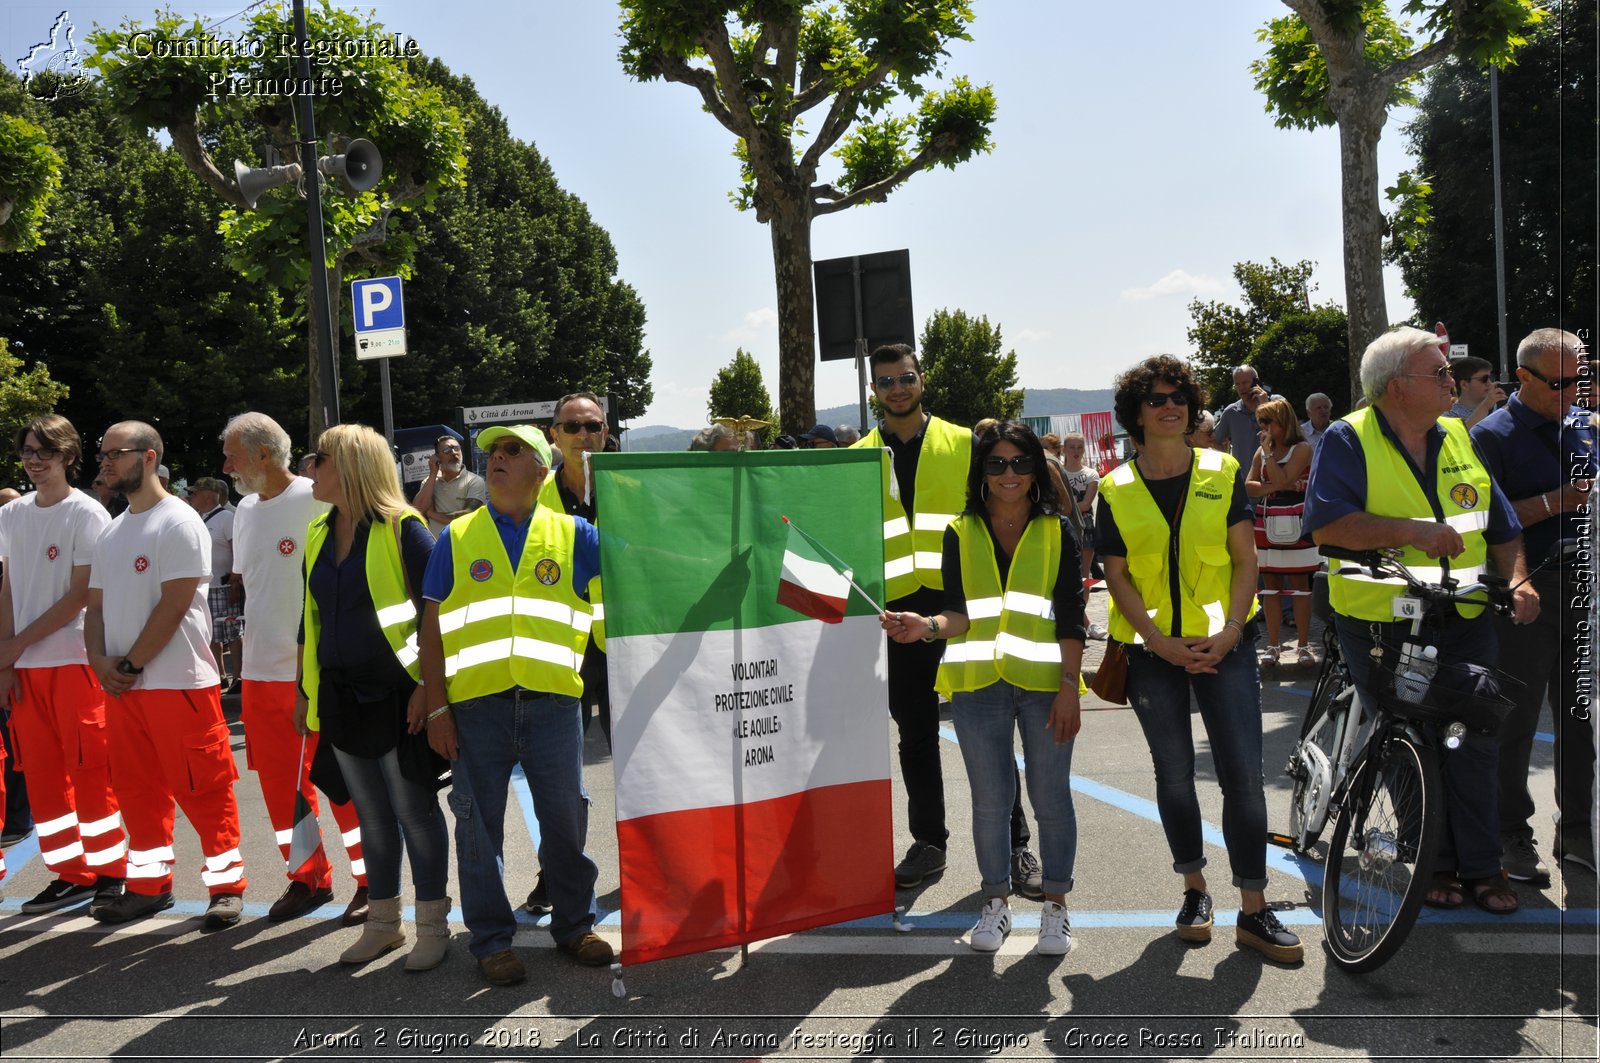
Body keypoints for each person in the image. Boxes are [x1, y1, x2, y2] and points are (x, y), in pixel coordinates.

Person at [1304, 326, 1537, 914]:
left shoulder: (1460, 435)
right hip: (1383, 620)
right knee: (1411, 735)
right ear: (1396, 387)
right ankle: (1433, 863)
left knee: (1476, 734)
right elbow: (1329, 527)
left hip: (1464, 613)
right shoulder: (1347, 438)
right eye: (1437, 373)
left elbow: (1503, 526)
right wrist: (1415, 533)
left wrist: (1517, 579)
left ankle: (1484, 866)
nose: (1450, 382)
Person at [1096, 355, 1302, 963]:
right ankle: (1194, 891)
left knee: (1243, 777)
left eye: (1179, 397)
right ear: (1136, 413)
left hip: (1227, 646)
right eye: (1157, 399)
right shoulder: (1115, 487)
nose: (1170, 406)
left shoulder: (1224, 469)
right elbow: (1117, 575)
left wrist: (1235, 630)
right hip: (1151, 650)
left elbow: (1246, 559)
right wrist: (1159, 642)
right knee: (1174, 777)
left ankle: (1254, 910)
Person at [417, 424, 613, 987]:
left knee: (566, 819)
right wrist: (437, 709)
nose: (496, 458)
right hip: (476, 708)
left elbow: (635, 584)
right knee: (479, 828)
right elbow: (431, 631)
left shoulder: (577, 534)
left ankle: (576, 926)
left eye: (512, 451)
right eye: (493, 452)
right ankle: (491, 941)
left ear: (540, 472)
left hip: (554, 706)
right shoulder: (455, 538)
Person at [882, 422, 1086, 955]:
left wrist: (1070, 688)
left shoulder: (1057, 528)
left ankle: (1056, 909)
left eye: (1020, 462)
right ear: (982, 472)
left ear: (1035, 471)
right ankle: (994, 904)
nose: (1009, 473)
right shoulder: (959, 530)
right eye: (996, 464)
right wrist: (924, 626)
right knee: (991, 803)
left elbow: (1072, 616)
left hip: (1045, 685)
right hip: (977, 686)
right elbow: (959, 614)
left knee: (1051, 800)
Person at [852, 344, 1043, 897]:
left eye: (905, 378)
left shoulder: (965, 443)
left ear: (922, 379)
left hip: (967, 607)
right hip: (896, 616)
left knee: (989, 732)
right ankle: (929, 842)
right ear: (875, 390)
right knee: (915, 735)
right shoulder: (857, 455)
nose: (897, 389)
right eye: (886, 381)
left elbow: (1004, 513)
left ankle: (1016, 844)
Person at [297, 424, 451, 970]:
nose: (310, 466)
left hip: (397, 698)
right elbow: (310, 619)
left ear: (352, 466)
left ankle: (433, 925)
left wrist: (427, 691)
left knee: (414, 812)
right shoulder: (318, 529)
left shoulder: (404, 528)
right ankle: (385, 925)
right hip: (341, 697)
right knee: (371, 816)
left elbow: (441, 616)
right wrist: (304, 691)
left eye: (320, 458)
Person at [85, 420, 247, 928]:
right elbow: (95, 609)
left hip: (177, 683)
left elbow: (175, 603)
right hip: (124, 688)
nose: (106, 461)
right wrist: (100, 662)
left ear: (149, 456)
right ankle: (149, 886)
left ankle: (226, 886)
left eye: (117, 452)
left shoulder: (177, 520)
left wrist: (128, 664)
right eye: (103, 453)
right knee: (135, 789)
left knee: (203, 786)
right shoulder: (112, 529)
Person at [221, 412, 369, 925]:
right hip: (261, 674)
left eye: (232, 455)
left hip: (314, 671)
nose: (226, 466)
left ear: (264, 454)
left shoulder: (315, 497)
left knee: (342, 783)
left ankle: (373, 881)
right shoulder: (243, 509)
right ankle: (308, 878)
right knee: (283, 789)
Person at [1471, 328, 1596, 880]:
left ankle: (1577, 832)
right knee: (1514, 721)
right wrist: (1556, 502)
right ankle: (1509, 834)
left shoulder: (1585, 428)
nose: (1574, 391)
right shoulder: (1490, 436)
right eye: (1561, 383)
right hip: (1525, 594)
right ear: (1521, 377)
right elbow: (1483, 524)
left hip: (1586, 593)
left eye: (1581, 380)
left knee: (1581, 721)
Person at [0, 415, 126, 915]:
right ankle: (71, 873)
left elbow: (78, 596)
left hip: (74, 663)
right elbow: (8, 587)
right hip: (26, 668)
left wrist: (13, 647)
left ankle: (112, 873)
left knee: (92, 771)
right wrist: (7, 658)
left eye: (44, 451)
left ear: (69, 455)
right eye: (28, 451)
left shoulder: (86, 513)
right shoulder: (12, 515)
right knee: (46, 777)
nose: (34, 460)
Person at [522, 392, 614, 916]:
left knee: (645, 765)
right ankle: (555, 873)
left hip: (625, 646)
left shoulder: (628, 489)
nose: (583, 435)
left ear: (605, 431)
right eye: (572, 427)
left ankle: (657, 869)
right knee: (561, 776)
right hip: (563, 652)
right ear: (552, 434)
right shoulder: (535, 496)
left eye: (592, 425)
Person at [1245, 399, 1318, 666]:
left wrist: (1275, 477)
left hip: (1297, 522)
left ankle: (1303, 645)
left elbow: (1282, 478)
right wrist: (1274, 485)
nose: (1261, 428)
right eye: (1260, 422)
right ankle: (1273, 645)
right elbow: (1250, 486)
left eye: (1267, 422)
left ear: (1282, 421)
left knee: (1300, 586)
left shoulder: (1302, 448)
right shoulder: (1263, 450)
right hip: (1266, 523)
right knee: (1270, 587)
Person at [187, 477, 241, 690]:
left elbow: (237, 549)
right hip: (207, 586)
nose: (192, 497)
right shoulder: (200, 517)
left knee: (233, 632)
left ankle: (239, 676)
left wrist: (235, 582)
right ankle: (219, 674)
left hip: (225, 585)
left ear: (208, 495)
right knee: (210, 633)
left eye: (195, 493)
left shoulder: (226, 518)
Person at [413, 434, 485, 538]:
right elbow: (418, 510)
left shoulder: (474, 481)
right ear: (437, 457)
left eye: (456, 448)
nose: (454, 453)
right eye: (447, 450)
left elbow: (468, 515)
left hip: (463, 544)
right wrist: (433, 474)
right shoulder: (430, 482)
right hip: (436, 546)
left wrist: (431, 514)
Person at [1212, 366, 1277, 466]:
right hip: (1244, 479)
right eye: (1237, 384)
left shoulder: (1277, 402)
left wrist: (1265, 405)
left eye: (1245, 382)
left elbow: (1287, 432)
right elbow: (1214, 440)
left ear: (1256, 382)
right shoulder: (1231, 412)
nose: (1241, 388)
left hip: (1275, 474)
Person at [1059, 433, 1100, 586]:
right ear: (1064, 449)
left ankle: (1083, 609)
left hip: (1085, 527)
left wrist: (1063, 508)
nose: (1076, 451)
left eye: (1080, 447)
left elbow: (1086, 504)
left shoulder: (1091, 474)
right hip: (1062, 527)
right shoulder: (1058, 474)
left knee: (1084, 575)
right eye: (1072, 447)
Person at [1448, 356, 1507, 430]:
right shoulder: (1449, 414)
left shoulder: (1499, 407)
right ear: (1464, 385)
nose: (1489, 383)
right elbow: (1462, 436)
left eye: (1490, 378)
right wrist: (1486, 406)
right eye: (1484, 379)